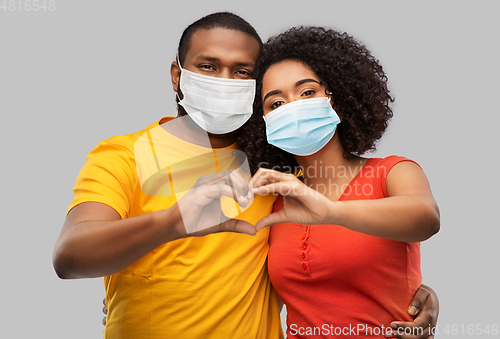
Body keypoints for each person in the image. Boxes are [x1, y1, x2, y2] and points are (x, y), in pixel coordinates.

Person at [53, 12, 438, 339]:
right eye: (208, 66)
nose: (224, 81)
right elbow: (70, 257)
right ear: (177, 74)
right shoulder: (124, 155)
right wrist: (170, 226)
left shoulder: (270, 170)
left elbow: (378, 231)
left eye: (241, 72)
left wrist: (408, 293)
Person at [236, 26, 440, 338]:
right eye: (276, 103)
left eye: (307, 93)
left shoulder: (393, 172)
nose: (292, 107)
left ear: (337, 98)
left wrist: (332, 212)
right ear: (261, 123)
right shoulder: (274, 202)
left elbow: (425, 219)